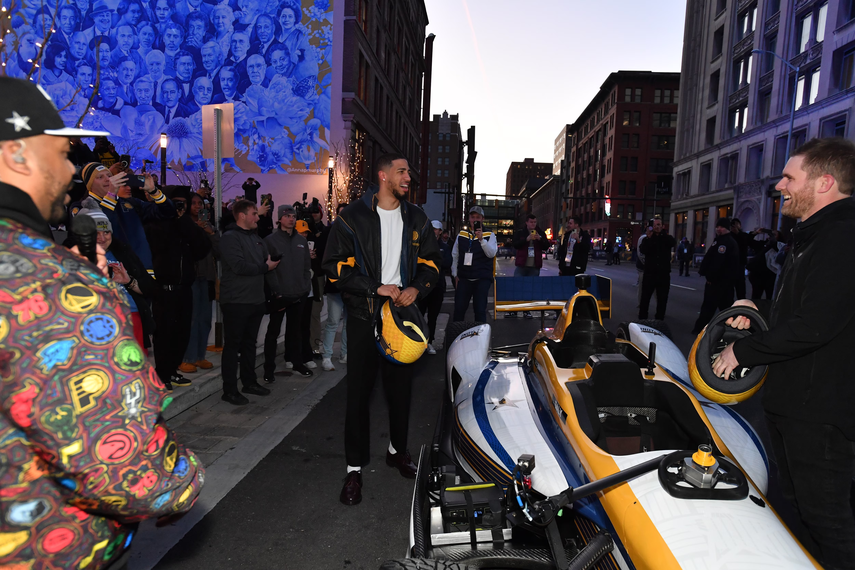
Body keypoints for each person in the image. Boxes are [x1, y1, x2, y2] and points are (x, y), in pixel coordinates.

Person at [0, 76, 203, 570]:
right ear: (19, 156)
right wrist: (181, 480)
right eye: (62, 151)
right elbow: (117, 462)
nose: (71, 166)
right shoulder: (55, 286)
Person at [711, 138, 855, 570]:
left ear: (825, 182)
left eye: (790, 176)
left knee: (828, 522)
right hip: (796, 404)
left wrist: (744, 351)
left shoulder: (843, 236)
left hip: (821, 414)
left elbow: (815, 326)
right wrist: (762, 309)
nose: (779, 185)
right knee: (795, 510)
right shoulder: (813, 236)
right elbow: (805, 312)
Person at [323, 153, 441, 506]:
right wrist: (375, 286)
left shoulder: (417, 218)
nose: (408, 177)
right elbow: (332, 267)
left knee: (400, 392)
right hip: (363, 316)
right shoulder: (352, 217)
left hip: (402, 320)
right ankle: (354, 469)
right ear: (383, 175)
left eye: (409, 172)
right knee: (358, 396)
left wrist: (417, 288)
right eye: (402, 171)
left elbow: (433, 264)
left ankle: (397, 451)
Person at [145, 187, 211, 389]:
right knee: (164, 335)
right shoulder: (157, 224)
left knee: (182, 334)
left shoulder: (187, 226)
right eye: (176, 203)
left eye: (184, 203)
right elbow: (158, 247)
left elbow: (202, 248)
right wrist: (172, 218)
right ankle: (162, 374)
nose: (180, 207)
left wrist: (183, 221)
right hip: (164, 289)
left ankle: (172, 371)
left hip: (185, 289)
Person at [77, 198, 157, 355]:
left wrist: (129, 282)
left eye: (106, 232)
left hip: (132, 319)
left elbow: (151, 289)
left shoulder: (123, 252)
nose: (102, 238)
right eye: (96, 233)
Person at [219, 199, 279, 405]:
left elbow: (265, 259)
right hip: (236, 301)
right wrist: (265, 267)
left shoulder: (256, 238)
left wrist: (269, 264)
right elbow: (239, 266)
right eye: (254, 213)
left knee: (250, 344)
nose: (258, 217)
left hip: (255, 300)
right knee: (232, 346)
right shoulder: (229, 238)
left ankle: (249, 381)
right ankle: (229, 389)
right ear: (242, 216)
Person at [263, 205, 313, 380]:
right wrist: (275, 291)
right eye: (287, 216)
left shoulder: (301, 241)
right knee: (273, 333)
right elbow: (268, 269)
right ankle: (268, 370)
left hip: (299, 293)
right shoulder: (270, 240)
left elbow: (307, 266)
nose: (291, 219)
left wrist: (305, 287)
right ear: (279, 219)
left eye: (293, 216)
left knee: (295, 331)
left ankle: (297, 363)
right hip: (280, 295)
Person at [182, 192, 220, 372]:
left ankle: (199, 356)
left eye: (201, 204)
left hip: (207, 277)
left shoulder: (208, 227)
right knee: (191, 319)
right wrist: (196, 230)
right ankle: (187, 357)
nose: (198, 206)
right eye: (194, 203)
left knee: (204, 319)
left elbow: (219, 251)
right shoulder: (183, 224)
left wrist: (210, 233)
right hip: (191, 277)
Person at [691, 217, 739, 334]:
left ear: (726, 228)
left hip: (719, 282)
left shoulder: (725, 242)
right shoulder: (720, 240)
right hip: (723, 282)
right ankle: (731, 330)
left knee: (710, 307)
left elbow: (718, 262)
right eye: (717, 227)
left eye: (721, 227)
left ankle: (700, 329)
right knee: (724, 307)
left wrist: (711, 277)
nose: (718, 229)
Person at [452, 205, 497, 323]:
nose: (475, 220)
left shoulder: (490, 234)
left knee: (480, 310)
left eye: (478, 217)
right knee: (459, 310)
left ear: (482, 219)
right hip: (464, 277)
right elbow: (455, 254)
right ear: (469, 218)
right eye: (473, 217)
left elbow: (491, 254)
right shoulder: (462, 234)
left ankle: (480, 338)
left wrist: (481, 239)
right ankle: (456, 336)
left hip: (482, 278)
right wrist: (455, 274)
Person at [321, 203, 349, 370]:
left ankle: (344, 353)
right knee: (332, 321)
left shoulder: (355, 234)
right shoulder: (328, 233)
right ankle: (327, 356)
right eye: (341, 214)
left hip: (351, 286)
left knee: (347, 322)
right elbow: (326, 260)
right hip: (335, 285)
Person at [638, 216, 676, 321]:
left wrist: (663, 234)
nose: (656, 227)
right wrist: (649, 237)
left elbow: (672, 242)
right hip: (650, 273)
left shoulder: (667, 238)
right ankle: (642, 319)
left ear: (662, 226)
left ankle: (659, 320)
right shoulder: (647, 239)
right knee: (645, 298)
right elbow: (643, 250)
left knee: (662, 299)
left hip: (663, 274)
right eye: (654, 225)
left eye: (658, 225)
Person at [418, 220, 448, 353]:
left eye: (436, 229)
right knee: (419, 314)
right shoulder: (422, 244)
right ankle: (418, 342)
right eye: (432, 228)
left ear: (440, 231)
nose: (434, 231)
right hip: (422, 285)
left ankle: (429, 342)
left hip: (437, 285)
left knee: (433, 316)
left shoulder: (445, 246)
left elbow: (447, 263)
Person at [730, 217, 750, 299]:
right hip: (730, 265)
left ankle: (741, 303)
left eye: (736, 225)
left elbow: (746, 243)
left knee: (740, 287)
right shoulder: (729, 237)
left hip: (740, 264)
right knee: (729, 288)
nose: (735, 227)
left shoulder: (743, 236)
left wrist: (738, 233)